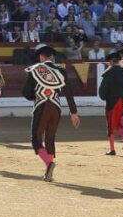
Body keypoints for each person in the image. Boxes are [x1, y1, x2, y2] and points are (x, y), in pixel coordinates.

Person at [22, 43, 80, 181]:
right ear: (53, 57)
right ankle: (49, 173)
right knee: (50, 139)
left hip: (41, 106)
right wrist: (74, 113)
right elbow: (68, 93)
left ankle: (49, 164)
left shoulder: (35, 69)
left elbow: (26, 92)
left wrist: (34, 96)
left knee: (36, 140)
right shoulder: (61, 71)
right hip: (56, 107)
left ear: (41, 57)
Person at [98, 50, 123, 155]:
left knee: (110, 125)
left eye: (109, 62)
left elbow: (102, 89)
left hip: (112, 101)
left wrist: (103, 97)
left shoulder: (109, 73)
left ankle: (112, 149)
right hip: (121, 100)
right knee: (117, 122)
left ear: (112, 61)